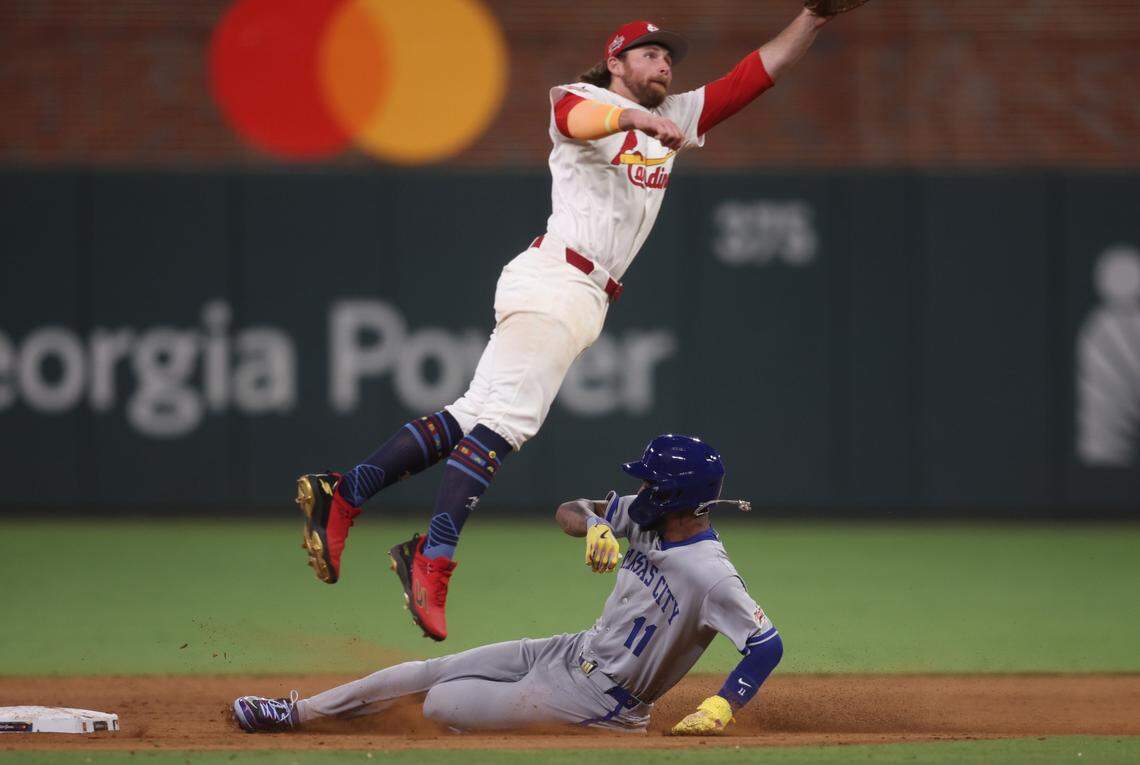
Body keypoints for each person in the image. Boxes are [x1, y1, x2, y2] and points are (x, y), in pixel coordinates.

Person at [297, 10, 831, 641]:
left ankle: (346, 492)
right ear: (616, 62)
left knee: (474, 414)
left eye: (668, 58)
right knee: (505, 424)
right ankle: (431, 558)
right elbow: (574, 120)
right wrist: (636, 118)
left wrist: (814, 16)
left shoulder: (679, 113)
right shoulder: (586, 99)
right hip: (557, 277)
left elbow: (754, 75)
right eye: (649, 55)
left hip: (583, 294)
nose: (663, 64)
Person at [241, 435, 781, 735]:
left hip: (605, 701)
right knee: (435, 672)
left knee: (440, 704)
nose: (639, 489)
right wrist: (594, 522)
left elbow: (765, 644)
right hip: (571, 650)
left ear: (674, 496)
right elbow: (568, 509)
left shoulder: (710, 574)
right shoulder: (646, 519)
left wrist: (721, 705)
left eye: (649, 482)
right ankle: (298, 713)